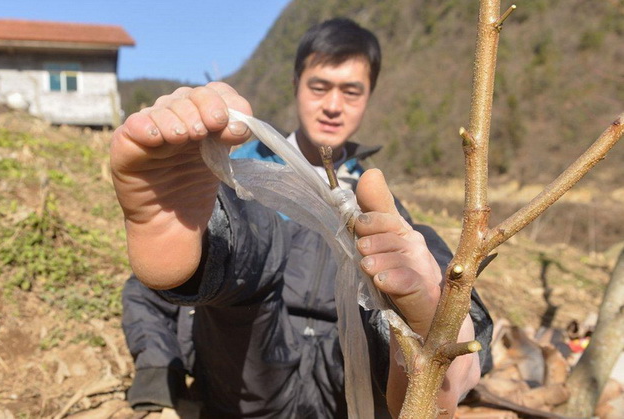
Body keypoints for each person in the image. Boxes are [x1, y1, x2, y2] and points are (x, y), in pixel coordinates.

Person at [111, 18, 493, 418]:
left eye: (351, 91)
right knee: (252, 229)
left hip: (345, 384)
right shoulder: (231, 176)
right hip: (245, 374)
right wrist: (159, 377)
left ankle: (435, 346)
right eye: (319, 87)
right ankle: (206, 242)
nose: (332, 105)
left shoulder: (373, 196)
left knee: (412, 248)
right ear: (296, 84)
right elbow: (145, 291)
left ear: (368, 97)